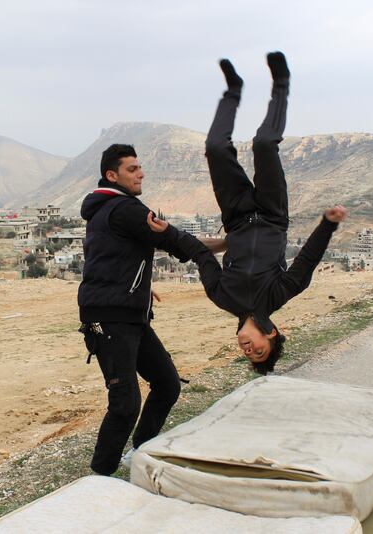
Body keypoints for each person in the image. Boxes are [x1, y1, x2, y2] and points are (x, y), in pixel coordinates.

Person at [148, 52, 347, 375]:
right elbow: (307, 259)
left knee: (215, 147)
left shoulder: (223, 297)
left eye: (248, 356)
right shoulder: (280, 294)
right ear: (271, 333)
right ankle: (281, 85)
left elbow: (200, 254)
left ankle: (233, 91)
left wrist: (169, 232)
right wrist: (328, 224)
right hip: (271, 213)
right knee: (265, 143)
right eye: (259, 352)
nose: (248, 350)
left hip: (237, 216)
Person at [78, 144, 218, 476]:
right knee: (125, 405)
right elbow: (173, 240)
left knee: (167, 384)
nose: (141, 173)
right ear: (112, 175)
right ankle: (101, 476)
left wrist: (138, 285)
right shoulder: (125, 209)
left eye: (140, 168)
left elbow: (110, 256)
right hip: (112, 317)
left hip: (129, 314)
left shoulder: (107, 210)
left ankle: (139, 451)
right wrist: (224, 246)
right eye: (132, 169)